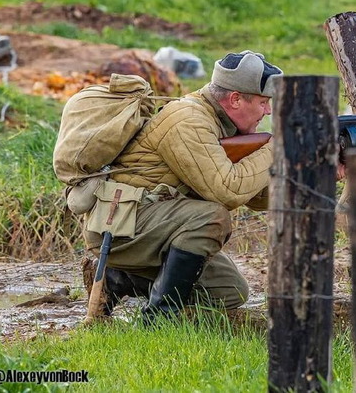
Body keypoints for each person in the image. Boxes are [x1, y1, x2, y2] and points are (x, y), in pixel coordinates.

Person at [83, 50, 283, 323]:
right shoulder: (188, 120)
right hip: (119, 228)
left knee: (229, 291)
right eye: (263, 102)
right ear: (235, 99)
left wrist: (315, 171)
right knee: (211, 216)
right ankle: (158, 321)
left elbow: (256, 197)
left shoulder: (224, 124)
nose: (268, 111)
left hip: (151, 225)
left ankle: (120, 279)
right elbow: (228, 190)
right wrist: (278, 148)